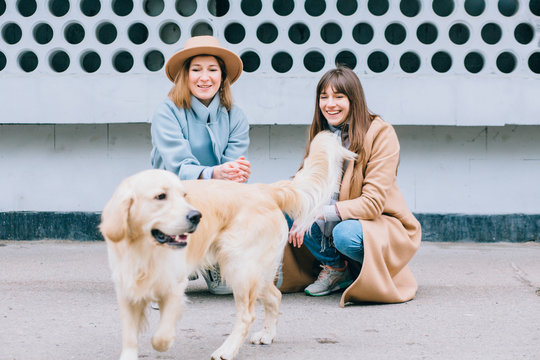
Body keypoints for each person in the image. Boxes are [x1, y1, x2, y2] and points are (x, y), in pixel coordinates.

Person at [279, 67, 421, 305]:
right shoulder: (323, 135)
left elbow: (372, 204)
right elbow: (304, 181)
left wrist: (320, 212)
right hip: (336, 221)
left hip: (377, 223)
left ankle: (369, 270)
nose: (330, 104)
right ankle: (336, 267)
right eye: (324, 97)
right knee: (289, 205)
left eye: (338, 97)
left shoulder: (381, 133)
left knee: (344, 234)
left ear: (354, 100)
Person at [150, 36, 250, 294]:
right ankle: (169, 269)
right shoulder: (167, 112)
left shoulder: (236, 116)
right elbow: (178, 164)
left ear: (222, 76)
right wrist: (216, 172)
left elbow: (233, 164)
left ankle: (213, 261)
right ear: (185, 75)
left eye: (212, 70)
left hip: (216, 196)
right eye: (196, 70)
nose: (204, 77)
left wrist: (236, 172)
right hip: (172, 193)